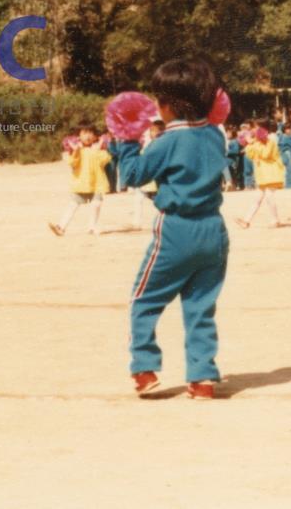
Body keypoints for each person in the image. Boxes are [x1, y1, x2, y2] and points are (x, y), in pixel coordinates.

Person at [110, 58, 230, 400]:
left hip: (177, 230)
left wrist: (129, 140)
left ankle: (145, 369)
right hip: (214, 231)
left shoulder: (167, 141)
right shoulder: (215, 136)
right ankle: (202, 377)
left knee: (144, 299)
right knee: (200, 306)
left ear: (166, 104)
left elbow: (133, 175)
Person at [49, 120, 111, 237]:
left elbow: (105, 160)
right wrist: (75, 151)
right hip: (81, 183)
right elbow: (72, 163)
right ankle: (61, 227)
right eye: (84, 133)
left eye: (91, 133)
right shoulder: (76, 150)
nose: (88, 136)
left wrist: (98, 150)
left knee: (97, 204)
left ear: (95, 136)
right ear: (79, 135)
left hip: (97, 183)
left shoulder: (99, 149)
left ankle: (92, 227)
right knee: (73, 204)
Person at [236, 120, 284, 228]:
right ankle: (246, 220)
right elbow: (251, 154)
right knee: (257, 198)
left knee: (269, 196)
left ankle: (275, 220)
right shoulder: (257, 142)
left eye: (255, 127)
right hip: (263, 175)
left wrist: (254, 143)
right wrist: (248, 143)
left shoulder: (271, 140)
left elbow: (266, 154)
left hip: (272, 173)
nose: (253, 130)